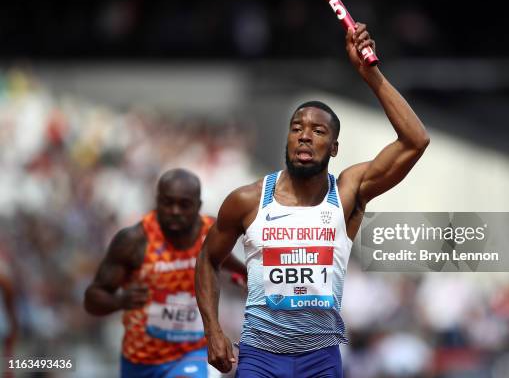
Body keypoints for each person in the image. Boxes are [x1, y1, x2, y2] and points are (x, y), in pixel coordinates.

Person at [196, 21, 430, 377]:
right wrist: (212, 330)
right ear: (287, 140)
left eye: (318, 131)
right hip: (260, 356)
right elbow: (207, 258)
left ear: (334, 147)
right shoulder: (247, 200)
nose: (305, 136)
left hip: (320, 358)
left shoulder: (349, 191)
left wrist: (370, 75)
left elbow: (415, 141)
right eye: (297, 128)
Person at [84, 168, 246, 378]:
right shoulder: (134, 241)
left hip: (192, 353)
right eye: (168, 203)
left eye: (184, 204)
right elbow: (92, 300)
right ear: (156, 201)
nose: (175, 211)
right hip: (140, 359)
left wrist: (243, 274)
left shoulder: (210, 232)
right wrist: (120, 301)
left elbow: (223, 261)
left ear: (198, 206)